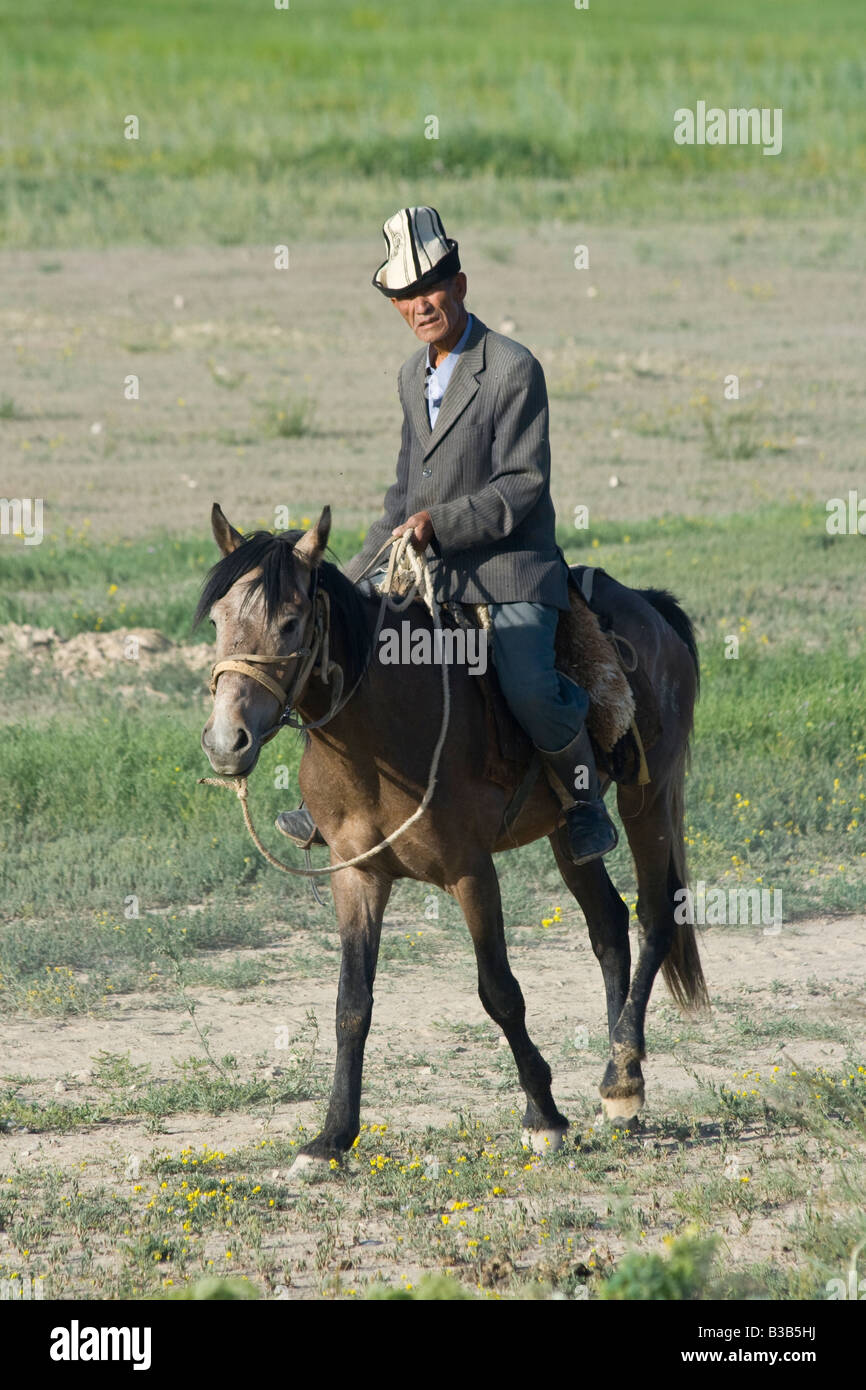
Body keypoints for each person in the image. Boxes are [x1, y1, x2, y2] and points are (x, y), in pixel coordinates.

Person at [277, 206, 617, 865]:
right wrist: (341, 583)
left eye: (431, 286)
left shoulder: (513, 369)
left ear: (459, 286)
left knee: (527, 687)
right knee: (337, 647)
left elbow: (522, 485)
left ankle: (583, 799)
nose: (419, 303)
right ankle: (333, 802)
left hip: (510, 568)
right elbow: (402, 496)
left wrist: (441, 524)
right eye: (406, 294)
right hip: (429, 571)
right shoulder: (410, 378)